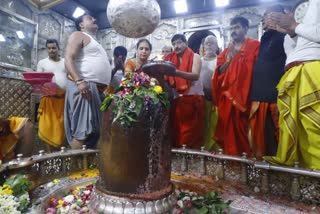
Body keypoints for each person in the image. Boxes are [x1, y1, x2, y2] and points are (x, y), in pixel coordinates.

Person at [263, 0, 320, 169]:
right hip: (293, 72)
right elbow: (292, 50)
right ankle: (305, 180)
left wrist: (295, 27)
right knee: (295, 131)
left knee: (314, 128)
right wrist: (290, 33)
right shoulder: (296, 8)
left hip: (314, 70)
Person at [212, 16, 260, 156]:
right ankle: (232, 159)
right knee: (229, 129)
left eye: (237, 27)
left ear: (246, 29)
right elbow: (219, 73)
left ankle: (248, 160)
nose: (233, 31)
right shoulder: (226, 51)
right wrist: (230, 60)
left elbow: (258, 69)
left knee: (247, 129)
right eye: (232, 28)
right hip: (228, 98)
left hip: (247, 95)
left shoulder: (255, 45)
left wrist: (239, 57)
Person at [64, 14, 112, 149]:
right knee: (82, 133)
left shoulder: (94, 41)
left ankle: (90, 168)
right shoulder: (78, 35)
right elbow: (68, 58)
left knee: (97, 133)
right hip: (84, 89)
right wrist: (79, 81)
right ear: (81, 25)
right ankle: (73, 169)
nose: (95, 19)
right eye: (90, 18)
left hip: (96, 91)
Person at [248, 5, 287, 160]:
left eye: (268, 15)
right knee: (262, 140)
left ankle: (283, 174)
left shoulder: (289, 36)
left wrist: (285, 30)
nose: (264, 18)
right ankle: (266, 172)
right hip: (259, 96)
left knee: (278, 139)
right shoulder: (264, 38)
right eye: (263, 16)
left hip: (276, 97)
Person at [165, 34, 204, 149]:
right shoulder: (170, 60)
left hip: (193, 99)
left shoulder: (195, 56)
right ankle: (179, 165)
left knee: (191, 136)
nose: (176, 46)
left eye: (179, 42)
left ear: (186, 43)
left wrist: (176, 72)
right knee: (178, 134)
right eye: (174, 44)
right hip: (178, 101)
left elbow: (195, 75)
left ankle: (192, 164)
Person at [37, 39, 67, 151]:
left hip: (63, 101)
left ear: (58, 48)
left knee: (61, 127)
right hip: (48, 101)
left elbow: (70, 78)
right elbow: (39, 82)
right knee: (47, 127)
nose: (51, 50)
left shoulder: (65, 62)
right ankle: (49, 155)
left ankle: (61, 155)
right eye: (49, 48)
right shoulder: (42, 63)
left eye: (54, 48)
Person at [200, 35, 219, 151]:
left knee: (215, 124)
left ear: (217, 46)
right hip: (202, 98)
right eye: (207, 43)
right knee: (203, 124)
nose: (209, 45)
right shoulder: (199, 61)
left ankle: (216, 149)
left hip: (217, 99)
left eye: (212, 43)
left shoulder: (220, 60)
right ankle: (204, 148)